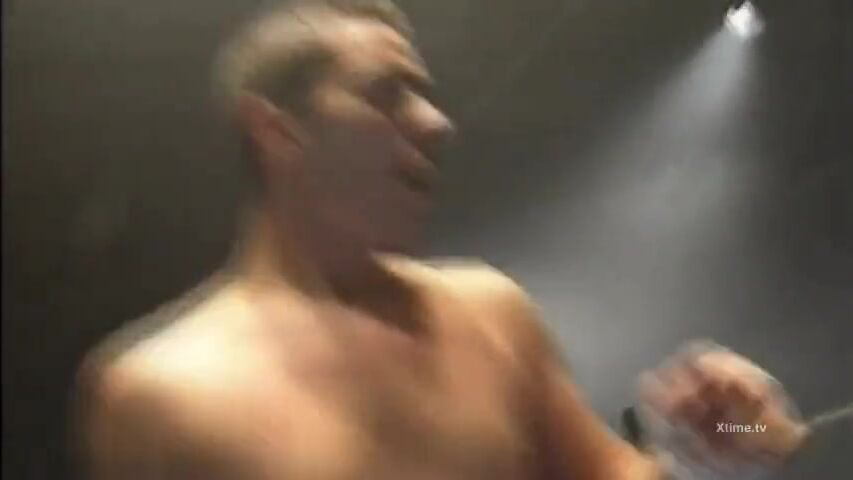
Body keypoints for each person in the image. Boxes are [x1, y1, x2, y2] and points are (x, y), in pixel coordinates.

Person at [73, 1, 809, 479]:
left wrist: (734, 434)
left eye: (424, 96)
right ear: (276, 131)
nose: (436, 123)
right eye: (385, 94)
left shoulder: (488, 313)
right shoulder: (162, 394)